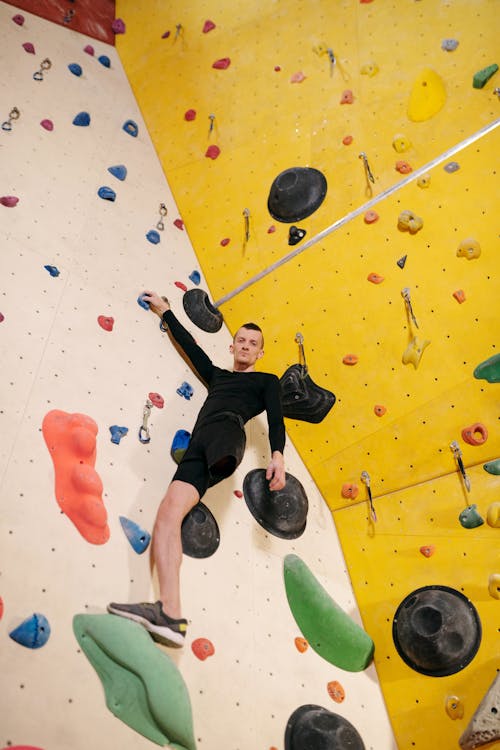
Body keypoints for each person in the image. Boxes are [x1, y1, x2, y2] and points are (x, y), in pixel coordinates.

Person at [108, 290, 286, 647]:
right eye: (241, 341)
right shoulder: (218, 376)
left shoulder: (265, 381)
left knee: (188, 490)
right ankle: (171, 615)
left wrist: (278, 454)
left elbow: (276, 417)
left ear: (261, 352)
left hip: (227, 435)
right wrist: (166, 312)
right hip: (198, 445)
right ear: (232, 347)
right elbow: (192, 348)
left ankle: (169, 614)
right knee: (166, 516)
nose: (246, 346)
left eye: (253, 343)